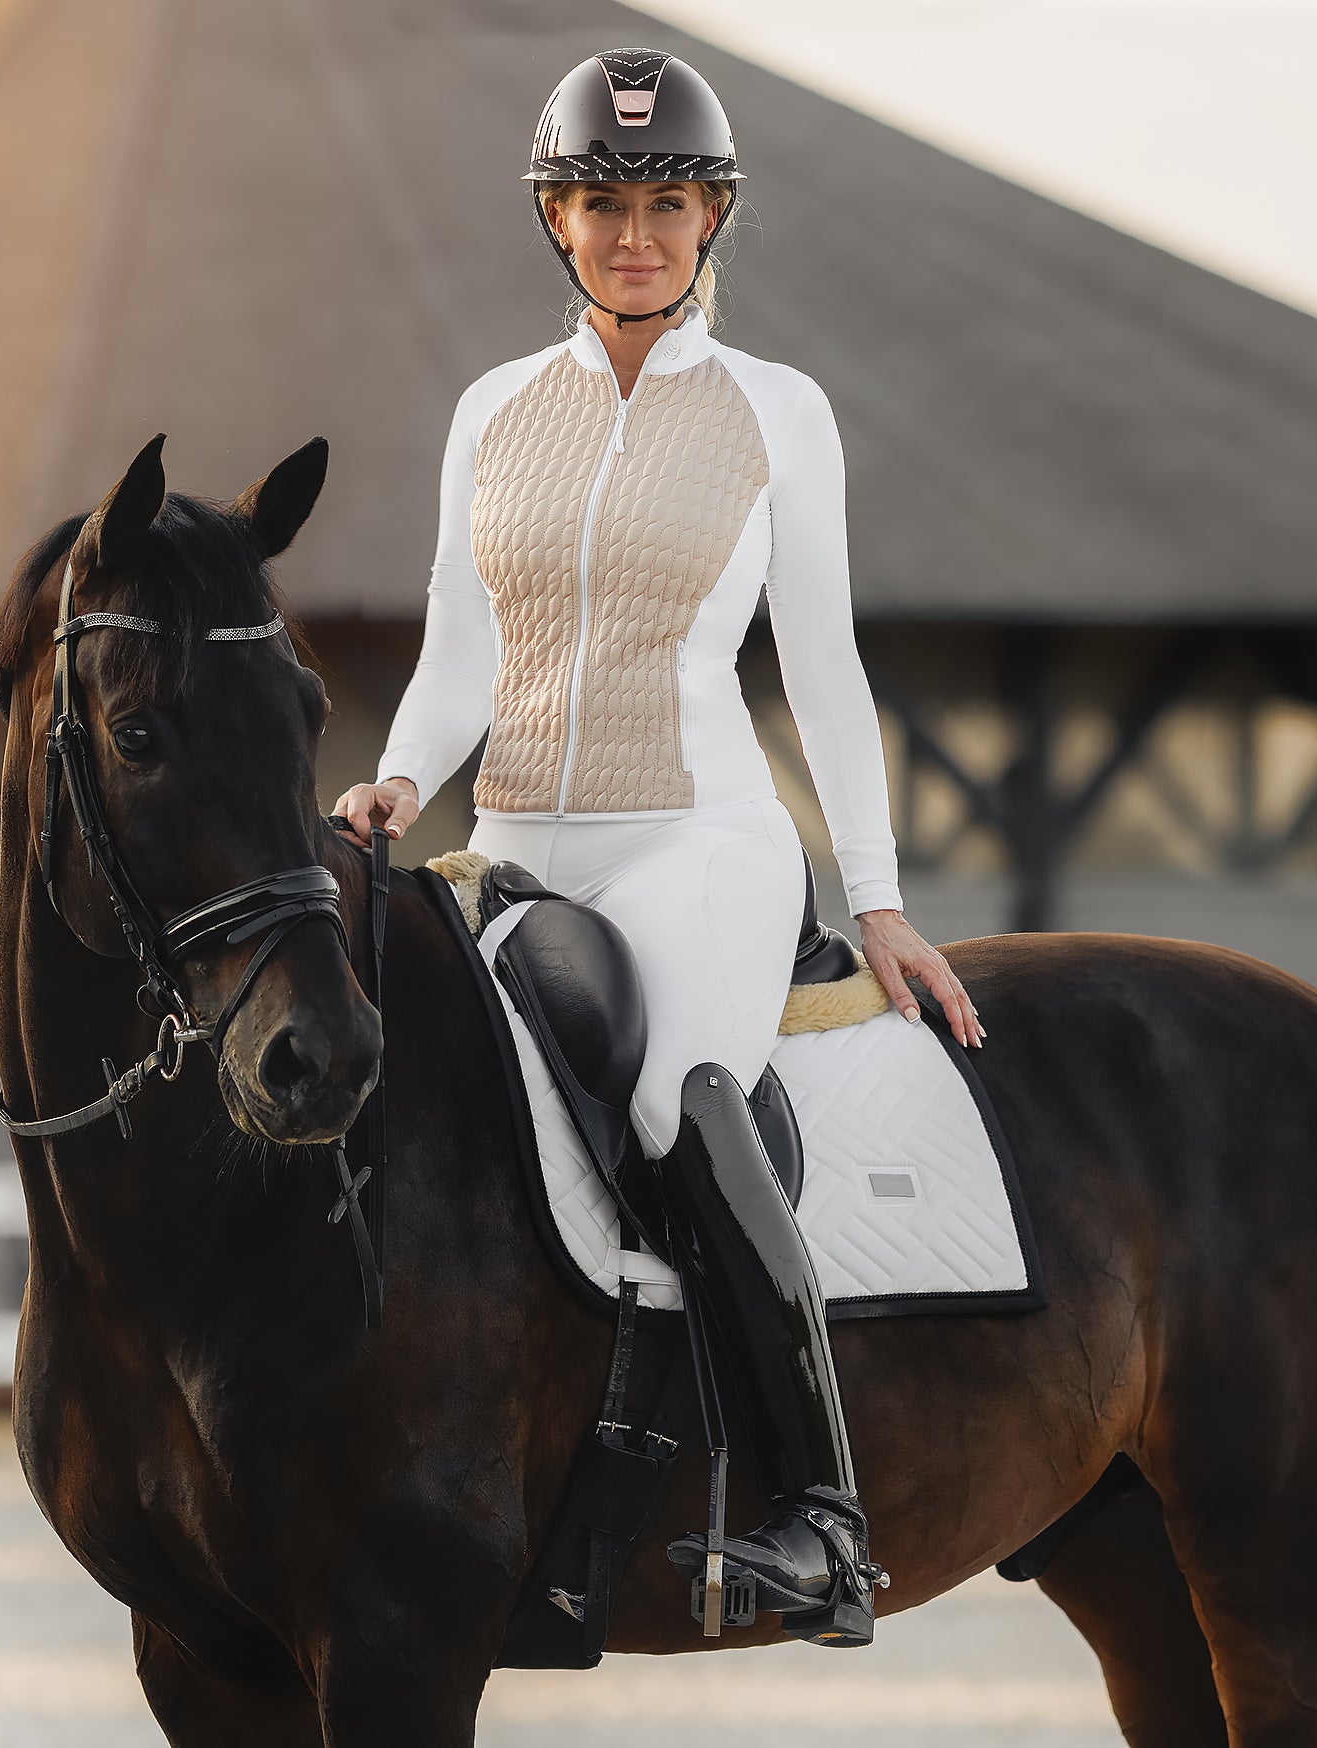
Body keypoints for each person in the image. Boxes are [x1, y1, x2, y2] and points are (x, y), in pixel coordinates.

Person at [334, 47, 980, 1648]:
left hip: (701, 839)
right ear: (557, 219)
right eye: (604, 202)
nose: (636, 234)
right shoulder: (493, 410)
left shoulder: (779, 413)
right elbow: (459, 648)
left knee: (672, 1091)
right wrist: (401, 780)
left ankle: (820, 1516)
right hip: (519, 851)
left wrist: (879, 896)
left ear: (711, 220)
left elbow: (819, 667)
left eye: (667, 203)